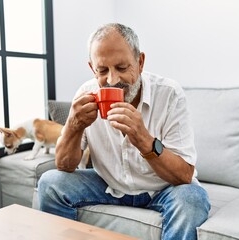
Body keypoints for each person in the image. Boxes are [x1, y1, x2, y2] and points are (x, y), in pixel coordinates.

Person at [38, 23, 210, 240]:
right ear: (92, 69)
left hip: (163, 189)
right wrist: (74, 125)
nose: (112, 80)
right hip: (109, 184)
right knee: (50, 183)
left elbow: (184, 175)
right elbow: (64, 165)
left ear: (140, 62)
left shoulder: (169, 94)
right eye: (102, 70)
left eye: (121, 68)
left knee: (193, 199)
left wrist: (144, 140)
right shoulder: (86, 93)